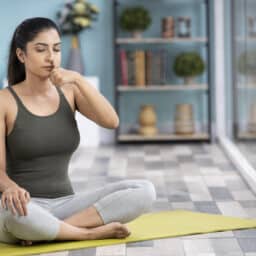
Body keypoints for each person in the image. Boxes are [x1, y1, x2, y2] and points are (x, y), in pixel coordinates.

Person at [0, 17, 156, 246]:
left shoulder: (69, 92)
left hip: (67, 204)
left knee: (145, 191)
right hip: (23, 208)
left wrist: (78, 79)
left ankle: (56, 229)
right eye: (41, 49)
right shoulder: (4, 101)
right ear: (21, 55)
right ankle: (87, 233)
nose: (51, 57)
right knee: (17, 217)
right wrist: (11, 188)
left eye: (56, 49)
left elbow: (111, 121)